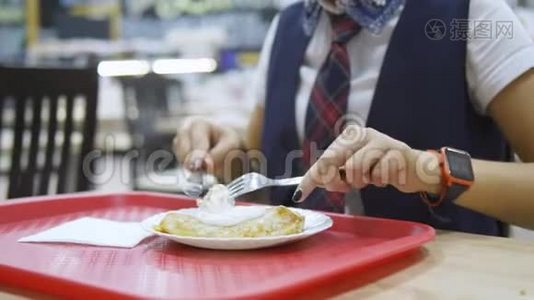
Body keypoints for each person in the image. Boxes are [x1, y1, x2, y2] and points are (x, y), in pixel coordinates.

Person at [175, 0, 534, 235]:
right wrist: (225, 150)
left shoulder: (471, 13)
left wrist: (429, 170)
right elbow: (259, 171)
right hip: (300, 277)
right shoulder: (286, 27)